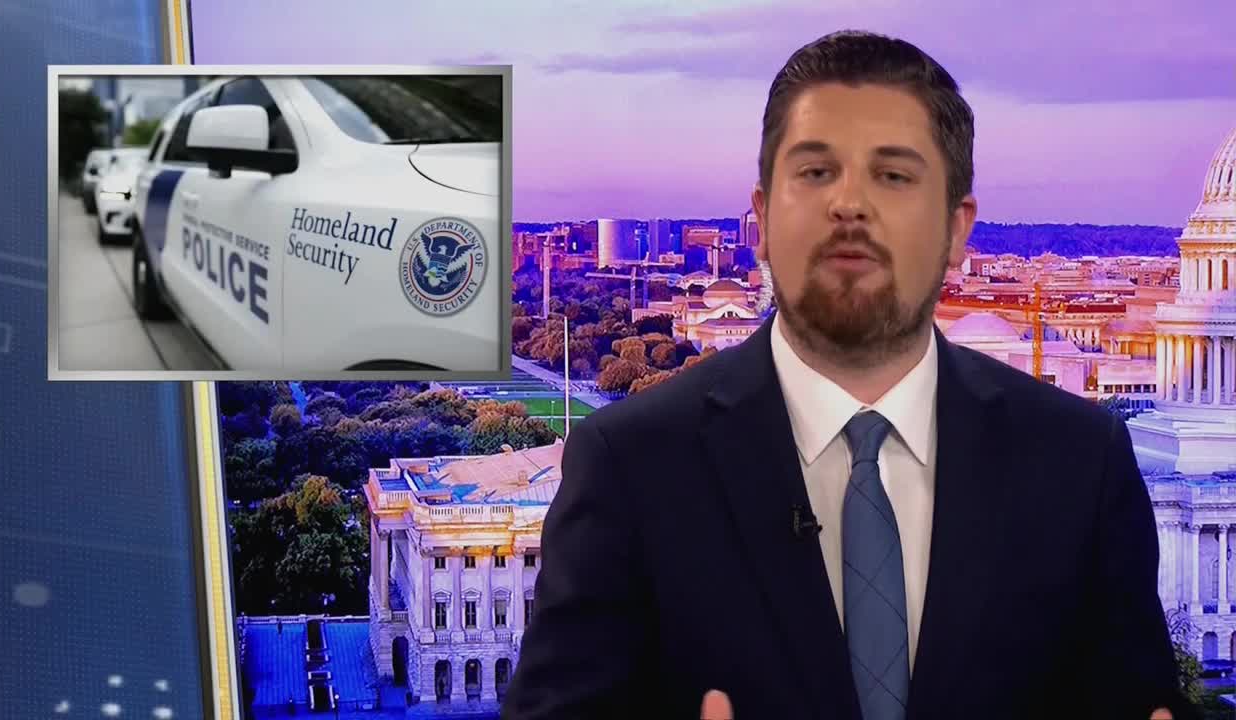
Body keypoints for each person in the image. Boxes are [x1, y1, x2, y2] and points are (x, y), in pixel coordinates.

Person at [501, 29, 1194, 720]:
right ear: (763, 220)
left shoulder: (1080, 462)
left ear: (958, 230)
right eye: (815, 171)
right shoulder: (631, 465)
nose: (850, 205)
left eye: (893, 175)